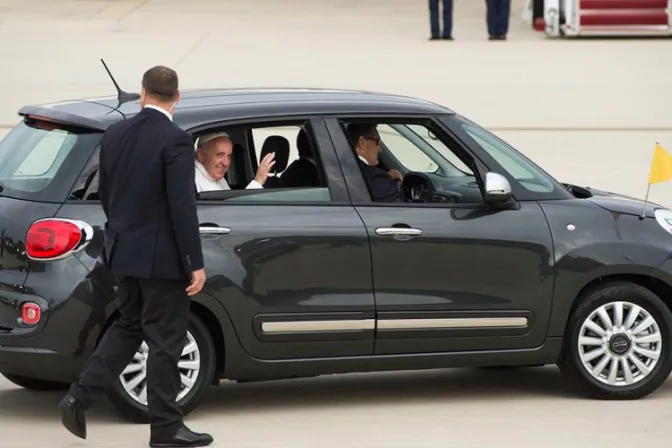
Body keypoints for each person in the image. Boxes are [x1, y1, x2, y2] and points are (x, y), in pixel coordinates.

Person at [58, 65, 214, 448]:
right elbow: (182, 205)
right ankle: (165, 429)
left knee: (129, 326)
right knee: (165, 341)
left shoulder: (115, 133)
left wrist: (125, 235)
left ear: (143, 93)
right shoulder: (176, 140)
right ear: (177, 98)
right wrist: (193, 260)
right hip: (162, 262)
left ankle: (78, 397)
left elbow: (107, 195)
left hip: (123, 254)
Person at [194, 131, 275, 192]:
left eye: (229, 156)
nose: (226, 163)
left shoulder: (213, 174)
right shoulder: (194, 185)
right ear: (201, 155)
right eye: (220, 155)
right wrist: (258, 180)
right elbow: (233, 213)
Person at [347, 123, 404, 203]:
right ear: (362, 142)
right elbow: (401, 211)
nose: (380, 149)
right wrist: (400, 187)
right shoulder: (377, 179)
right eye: (377, 142)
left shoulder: (337, 169)